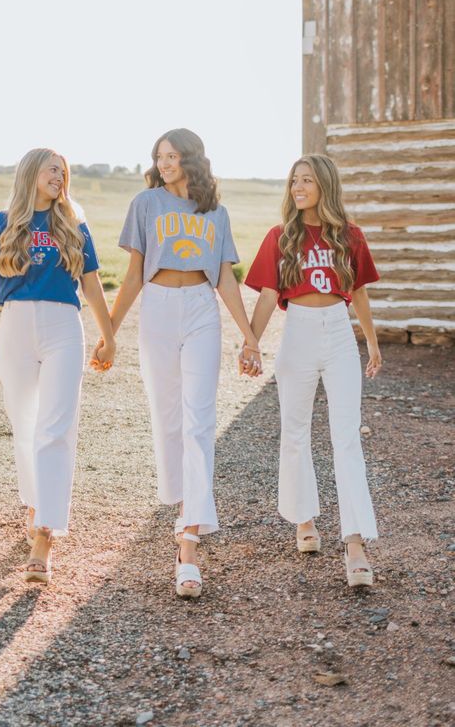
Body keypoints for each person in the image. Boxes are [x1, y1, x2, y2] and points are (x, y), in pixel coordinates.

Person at [97, 128, 260, 598]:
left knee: (199, 423)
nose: (164, 163)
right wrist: (109, 334)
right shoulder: (146, 204)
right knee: (167, 419)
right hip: (159, 308)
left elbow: (226, 280)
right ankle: (181, 502)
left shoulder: (216, 213)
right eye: (159, 156)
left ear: (191, 158)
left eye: (172, 155)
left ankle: (189, 539)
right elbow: (132, 275)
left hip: (202, 310)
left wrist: (249, 338)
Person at [0, 148, 114, 584]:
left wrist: (108, 335)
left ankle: (45, 534)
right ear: (30, 173)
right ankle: (37, 502)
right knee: (25, 425)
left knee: (55, 430)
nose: (59, 177)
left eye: (64, 171)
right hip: (16, 324)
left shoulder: (73, 224)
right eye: (52, 169)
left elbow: (91, 283)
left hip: (63, 325)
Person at [244, 153, 382, 587]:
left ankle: (355, 542)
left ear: (324, 185)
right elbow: (267, 296)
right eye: (293, 181)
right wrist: (250, 342)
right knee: (295, 431)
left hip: (339, 334)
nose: (298, 187)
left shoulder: (349, 236)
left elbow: (357, 293)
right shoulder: (281, 237)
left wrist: (372, 343)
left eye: (306, 180)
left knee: (346, 437)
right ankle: (304, 520)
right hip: (298, 332)